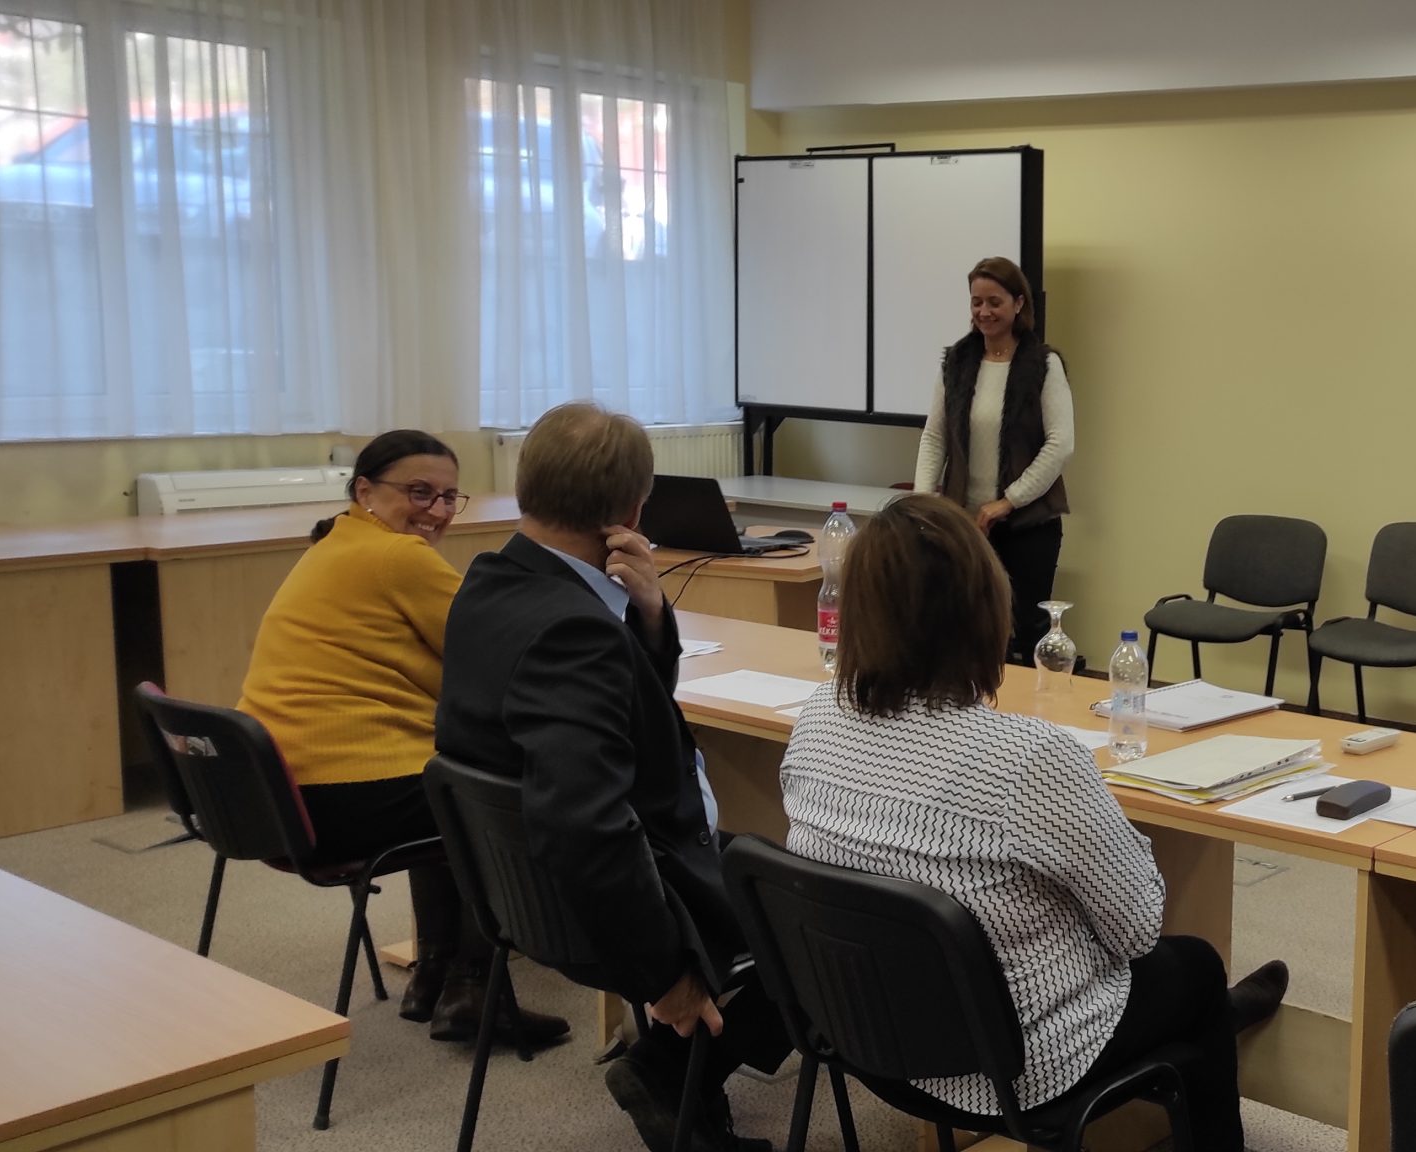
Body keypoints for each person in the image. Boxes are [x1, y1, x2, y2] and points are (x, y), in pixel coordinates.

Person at [778, 493, 1284, 1150]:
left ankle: (1201, 1040)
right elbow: (1137, 929)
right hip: (1016, 1071)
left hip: (864, 1041)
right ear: (986, 610)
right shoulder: (1028, 759)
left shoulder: (817, 716)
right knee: (1194, 968)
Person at [434, 403, 789, 1152]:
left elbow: (619, 718)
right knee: (830, 918)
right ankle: (671, 1072)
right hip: (618, 892)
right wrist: (664, 976)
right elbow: (586, 828)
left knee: (787, 881)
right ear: (631, 514)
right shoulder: (575, 630)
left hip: (517, 889)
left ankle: (686, 1085)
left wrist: (649, 616)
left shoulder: (490, 583)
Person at [236, 430, 567, 1049]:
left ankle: (433, 973)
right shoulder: (398, 557)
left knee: (443, 773)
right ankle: (473, 987)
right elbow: (497, 648)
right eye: (419, 492)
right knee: (495, 790)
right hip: (338, 796)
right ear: (364, 490)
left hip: (279, 794)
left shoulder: (336, 543)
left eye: (448, 497)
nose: (436, 510)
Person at [913, 256, 1074, 664]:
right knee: (965, 629)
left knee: (1023, 632)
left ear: (1018, 304)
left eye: (994, 302)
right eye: (976, 302)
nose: (984, 311)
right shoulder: (956, 363)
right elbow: (935, 437)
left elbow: (1060, 444)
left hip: (1028, 525)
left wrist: (1007, 501)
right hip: (965, 525)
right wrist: (924, 503)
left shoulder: (1043, 365)